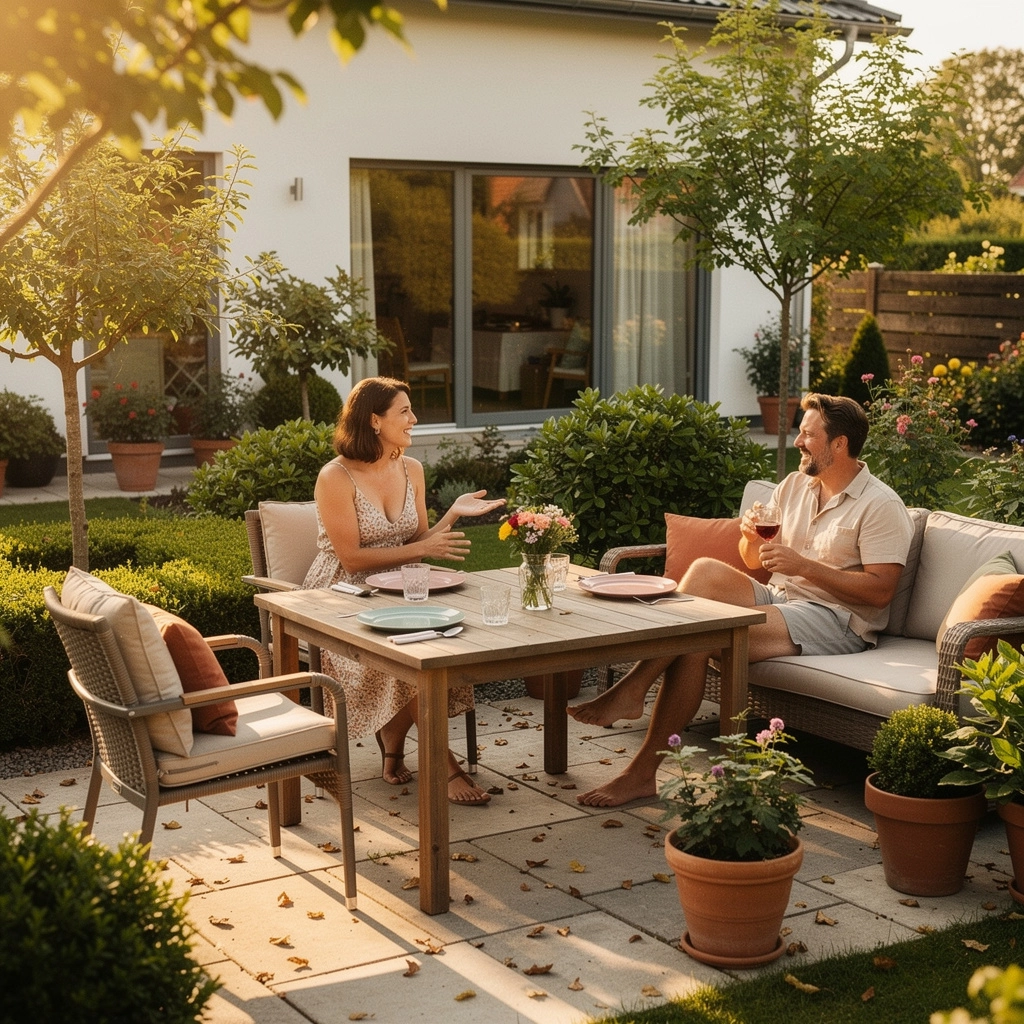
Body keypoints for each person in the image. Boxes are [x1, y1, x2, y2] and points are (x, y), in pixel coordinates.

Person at [568, 393, 914, 808]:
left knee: (701, 637)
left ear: (839, 444)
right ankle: (634, 694)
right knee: (702, 572)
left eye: (808, 434)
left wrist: (804, 566)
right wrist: (751, 538)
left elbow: (880, 591)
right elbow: (757, 562)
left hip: (837, 619)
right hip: (782, 596)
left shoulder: (880, 505)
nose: (799, 441)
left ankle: (639, 764)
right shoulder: (795, 485)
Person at [303, 377, 505, 804]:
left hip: (402, 588)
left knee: (438, 649)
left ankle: (392, 749)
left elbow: (418, 538)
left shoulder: (411, 468)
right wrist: (423, 549)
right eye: (405, 412)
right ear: (374, 421)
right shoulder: (335, 476)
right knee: (399, 656)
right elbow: (352, 557)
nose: (414, 420)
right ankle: (443, 763)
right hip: (343, 594)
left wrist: (453, 513)